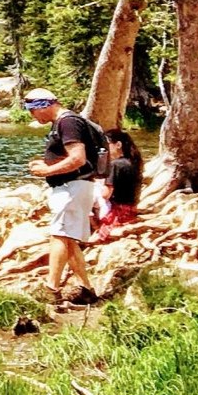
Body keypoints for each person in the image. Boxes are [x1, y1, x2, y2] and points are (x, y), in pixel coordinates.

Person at [23, 89, 103, 306]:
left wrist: (47, 171)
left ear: (43, 105)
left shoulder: (68, 123)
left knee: (58, 235)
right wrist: (47, 164)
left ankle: (52, 289)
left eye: (32, 111)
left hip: (72, 188)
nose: (33, 116)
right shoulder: (66, 123)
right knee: (67, 239)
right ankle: (86, 289)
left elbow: (77, 158)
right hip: (74, 187)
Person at [94, 129, 143, 236]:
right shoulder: (134, 163)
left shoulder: (115, 165)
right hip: (130, 211)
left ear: (118, 145)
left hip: (117, 213)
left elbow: (106, 194)